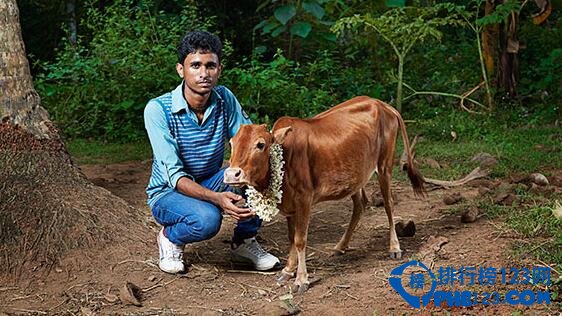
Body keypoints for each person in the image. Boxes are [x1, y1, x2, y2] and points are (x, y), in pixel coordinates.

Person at [143, 30, 280, 274]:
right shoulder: (157, 110)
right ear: (180, 69)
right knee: (208, 220)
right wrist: (218, 199)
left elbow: (249, 139)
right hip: (168, 192)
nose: (204, 74)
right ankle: (170, 238)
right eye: (195, 65)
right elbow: (175, 177)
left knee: (258, 174)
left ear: (219, 69)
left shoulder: (224, 98)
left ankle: (244, 242)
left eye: (210, 66)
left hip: (211, 179)